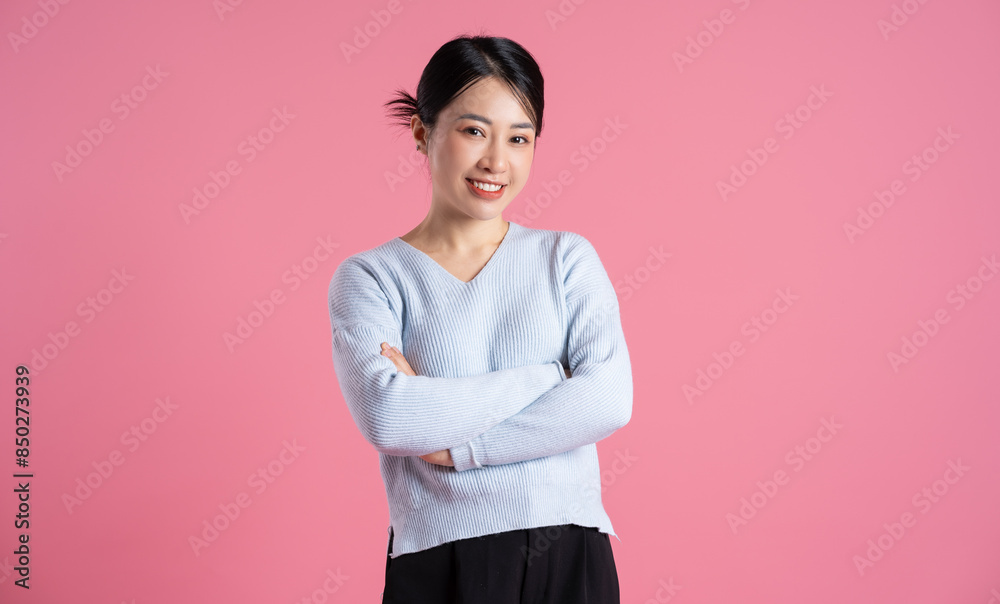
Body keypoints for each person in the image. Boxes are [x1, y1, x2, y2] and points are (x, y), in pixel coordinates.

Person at [326, 33, 633, 603]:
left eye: (519, 138)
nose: (497, 161)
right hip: (440, 562)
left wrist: (456, 442)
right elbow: (391, 418)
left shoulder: (565, 258)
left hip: (568, 554)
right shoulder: (371, 278)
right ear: (423, 131)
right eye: (474, 131)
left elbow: (607, 400)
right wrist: (548, 379)